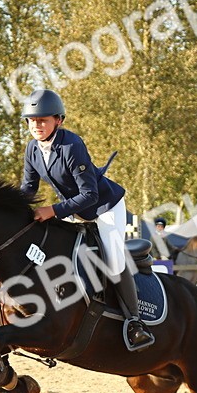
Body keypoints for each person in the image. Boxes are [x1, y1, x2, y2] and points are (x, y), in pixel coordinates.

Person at [20, 89, 155, 351]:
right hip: (75, 211)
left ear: (58, 120)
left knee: (114, 260)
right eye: (32, 121)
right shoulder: (32, 149)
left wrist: (53, 211)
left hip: (105, 207)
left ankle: (135, 323)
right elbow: (28, 189)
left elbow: (90, 195)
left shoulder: (71, 145)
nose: (36, 125)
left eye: (43, 120)